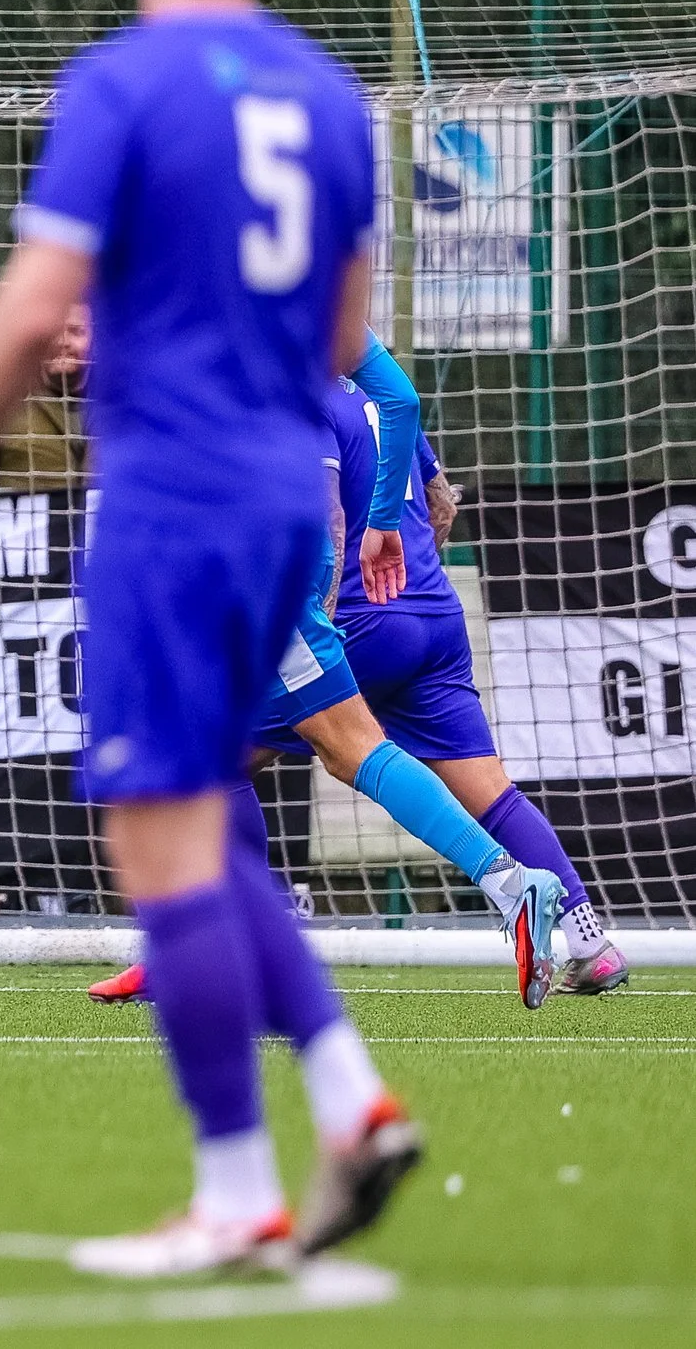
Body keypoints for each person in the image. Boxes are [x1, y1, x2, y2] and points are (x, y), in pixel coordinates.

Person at [0, 0, 418, 1275]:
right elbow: (343, 335)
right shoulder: (328, 95)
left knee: (161, 838)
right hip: (285, 496)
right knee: (210, 823)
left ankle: (235, 1188)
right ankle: (348, 1099)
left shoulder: (123, 82)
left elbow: (27, 305)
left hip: (172, 495)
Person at [85, 333, 568, 1011]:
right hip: (289, 542)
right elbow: (398, 397)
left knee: (345, 746)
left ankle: (509, 883)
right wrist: (377, 527)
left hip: (241, 551)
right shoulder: (313, 283)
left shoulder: (189, 292)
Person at [326, 358, 625, 993]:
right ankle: (589, 940)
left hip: (359, 622)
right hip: (434, 612)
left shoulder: (299, 396)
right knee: (492, 791)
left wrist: (323, 618)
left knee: (222, 763)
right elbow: (442, 503)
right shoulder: (382, 398)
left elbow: (324, 523)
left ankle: (197, 942)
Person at [0, 301, 88, 490]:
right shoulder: (3, 402)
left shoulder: (123, 404)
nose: (63, 342)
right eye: (53, 333)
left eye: (75, 331)